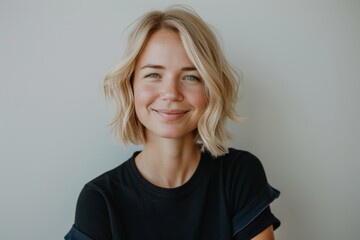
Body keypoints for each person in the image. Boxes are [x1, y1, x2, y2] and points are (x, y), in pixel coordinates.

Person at [65, 5, 280, 240]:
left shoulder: (239, 174)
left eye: (190, 77)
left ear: (210, 89)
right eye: (153, 75)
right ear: (130, 86)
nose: (171, 93)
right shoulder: (99, 199)